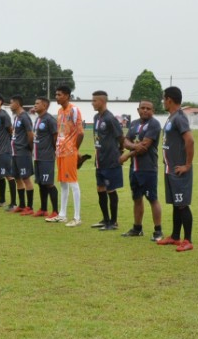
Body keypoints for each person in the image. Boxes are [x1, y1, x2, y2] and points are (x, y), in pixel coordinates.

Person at [157, 87, 195, 251]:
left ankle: (188, 240)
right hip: (170, 169)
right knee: (175, 203)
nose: (163, 102)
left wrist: (187, 165)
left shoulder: (179, 118)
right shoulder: (171, 117)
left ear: (169, 99)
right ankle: (174, 236)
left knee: (182, 204)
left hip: (179, 169)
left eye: (164, 99)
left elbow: (190, 140)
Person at [119, 100, 163, 240]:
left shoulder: (154, 124)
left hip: (148, 168)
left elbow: (145, 146)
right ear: (138, 110)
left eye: (148, 108)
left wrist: (127, 155)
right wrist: (132, 146)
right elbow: (125, 141)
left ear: (153, 111)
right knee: (137, 198)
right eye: (142, 108)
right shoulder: (134, 124)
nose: (145, 110)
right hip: (135, 169)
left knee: (152, 199)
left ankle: (158, 231)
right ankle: (137, 228)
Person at [90, 90, 125, 231]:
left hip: (110, 160)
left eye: (94, 101)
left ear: (102, 101)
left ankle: (113, 221)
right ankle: (105, 219)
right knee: (100, 188)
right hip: (99, 160)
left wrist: (120, 151)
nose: (92, 103)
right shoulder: (96, 117)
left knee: (111, 189)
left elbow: (121, 137)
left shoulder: (110, 118)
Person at [52, 85, 84, 227]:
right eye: (56, 94)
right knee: (63, 183)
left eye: (59, 94)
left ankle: (77, 217)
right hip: (61, 151)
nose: (57, 97)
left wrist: (74, 149)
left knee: (73, 182)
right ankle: (62, 214)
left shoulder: (74, 110)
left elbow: (81, 132)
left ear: (67, 96)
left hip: (70, 151)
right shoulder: (59, 111)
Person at [33, 96, 60, 219]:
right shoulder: (38, 119)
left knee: (49, 183)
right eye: (35, 103)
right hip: (37, 156)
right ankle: (43, 209)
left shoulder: (50, 119)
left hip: (47, 157)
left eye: (38, 103)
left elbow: (55, 136)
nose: (35, 105)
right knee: (41, 183)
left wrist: (54, 151)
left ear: (45, 105)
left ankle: (55, 211)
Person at [9, 95, 36, 214]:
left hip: (23, 152)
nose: (10, 105)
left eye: (11, 103)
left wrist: (29, 148)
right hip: (15, 153)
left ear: (17, 104)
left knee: (26, 179)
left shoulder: (25, 117)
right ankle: (21, 205)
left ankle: (29, 207)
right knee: (17, 178)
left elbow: (30, 134)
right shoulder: (16, 117)